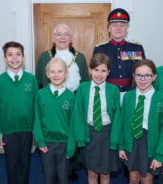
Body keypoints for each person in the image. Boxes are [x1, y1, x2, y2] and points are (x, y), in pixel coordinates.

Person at [69, 53, 121, 184]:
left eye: (103, 70)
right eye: (96, 70)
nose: (99, 74)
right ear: (90, 70)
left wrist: (115, 140)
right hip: (89, 134)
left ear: (108, 72)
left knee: (105, 173)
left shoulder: (113, 89)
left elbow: (117, 117)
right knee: (91, 173)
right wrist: (80, 138)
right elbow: (78, 114)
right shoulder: (82, 88)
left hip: (107, 135)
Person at [0, 41, 38, 184]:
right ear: (4, 59)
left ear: (23, 58)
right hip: (8, 130)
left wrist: (36, 129)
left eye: (18, 54)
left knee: (25, 163)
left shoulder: (31, 79)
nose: (14, 58)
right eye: (10, 55)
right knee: (10, 164)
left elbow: (35, 106)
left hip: (26, 129)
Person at [119, 59, 163, 184]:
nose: (143, 79)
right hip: (131, 142)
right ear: (133, 76)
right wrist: (121, 146)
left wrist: (160, 155)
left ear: (154, 77)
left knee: (146, 179)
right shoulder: (128, 97)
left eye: (147, 75)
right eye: (139, 75)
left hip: (150, 143)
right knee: (133, 177)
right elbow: (122, 124)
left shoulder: (160, 98)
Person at [34, 58, 75, 184]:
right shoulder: (40, 94)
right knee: (49, 177)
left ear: (66, 74)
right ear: (47, 74)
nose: (56, 75)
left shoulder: (71, 96)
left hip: (64, 144)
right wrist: (40, 142)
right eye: (52, 72)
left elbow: (73, 124)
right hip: (47, 144)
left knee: (63, 178)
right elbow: (37, 120)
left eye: (59, 71)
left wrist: (71, 147)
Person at [93, 8, 146, 93]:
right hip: (107, 93)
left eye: (122, 25)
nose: (118, 28)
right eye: (115, 25)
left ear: (127, 27)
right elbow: (95, 74)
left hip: (132, 93)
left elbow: (144, 72)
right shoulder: (100, 49)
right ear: (109, 28)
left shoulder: (136, 48)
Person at [35, 23, 89, 91]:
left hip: (75, 100)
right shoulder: (44, 57)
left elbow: (85, 84)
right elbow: (38, 83)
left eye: (66, 34)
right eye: (59, 34)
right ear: (53, 38)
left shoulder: (80, 58)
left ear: (70, 38)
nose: (62, 37)